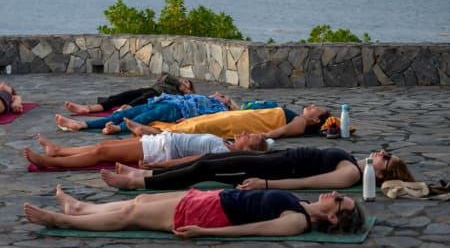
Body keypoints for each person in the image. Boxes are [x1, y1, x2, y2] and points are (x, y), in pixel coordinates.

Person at [23, 185, 366, 237]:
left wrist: (205, 233)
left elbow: (249, 231)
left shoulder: (298, 222)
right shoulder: (302, 205)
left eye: (339, 200)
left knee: (131, 217)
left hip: (210, 216)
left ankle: (62, 220)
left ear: (333, 217)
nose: (335, 194)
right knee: (139, 202)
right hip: (212, 198)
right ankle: (82, 207)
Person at [101, 147, 415, 191]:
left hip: (275, 170)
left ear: (383, 174)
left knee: (207, 170)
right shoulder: (353, 160)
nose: (382, 153)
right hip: (274, 158)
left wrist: (266, 184)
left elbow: (308, 183)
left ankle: (137, 185)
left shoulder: (350, 173)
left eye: (386, 158)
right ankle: (144, 174)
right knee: (208, 159)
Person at [24, 131, 269, 169]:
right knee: (104, 146)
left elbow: (196, 159)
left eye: (249, 137)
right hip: (162, 140)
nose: (244, 133)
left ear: (249, 147)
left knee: (101, 154)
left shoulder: (223, 152)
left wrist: (160, 166)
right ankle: (59, 150)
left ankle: (50, 161)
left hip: (162, 151)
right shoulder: (224, 142)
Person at [55, 92, 238, 135]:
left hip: (177, 110)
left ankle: (119, 129)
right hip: (168, 102)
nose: (216, 94)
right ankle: (82, 124)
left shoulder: (219, 109)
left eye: (222, 96)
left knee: (144, 119)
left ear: (227, 104)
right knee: (129, 112)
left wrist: (189, 119)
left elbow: (208, 119)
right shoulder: (206, 98)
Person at [124, 104, 331, 140]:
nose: (312, 106)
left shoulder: (300, 122)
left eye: (316, 109)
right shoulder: (297, 116)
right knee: (203, 120)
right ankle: (153, 130)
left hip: (245, 125)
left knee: (201, 128)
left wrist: (262, 137)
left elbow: (284, 131)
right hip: (243, 117)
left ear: (314, 119)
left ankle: (153, 134)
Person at [64, 72, 196, 114]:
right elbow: (165, 75)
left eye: (187, 83)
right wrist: (179, 84)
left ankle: (126, 109)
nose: (184, 82)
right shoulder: (170, 81)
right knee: (122, 96)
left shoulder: (179, 96)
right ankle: (88, 108)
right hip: (150, 89)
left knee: (145, 97)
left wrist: (185, 92)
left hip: (157, 97)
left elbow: (192, 100)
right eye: (183, 80)